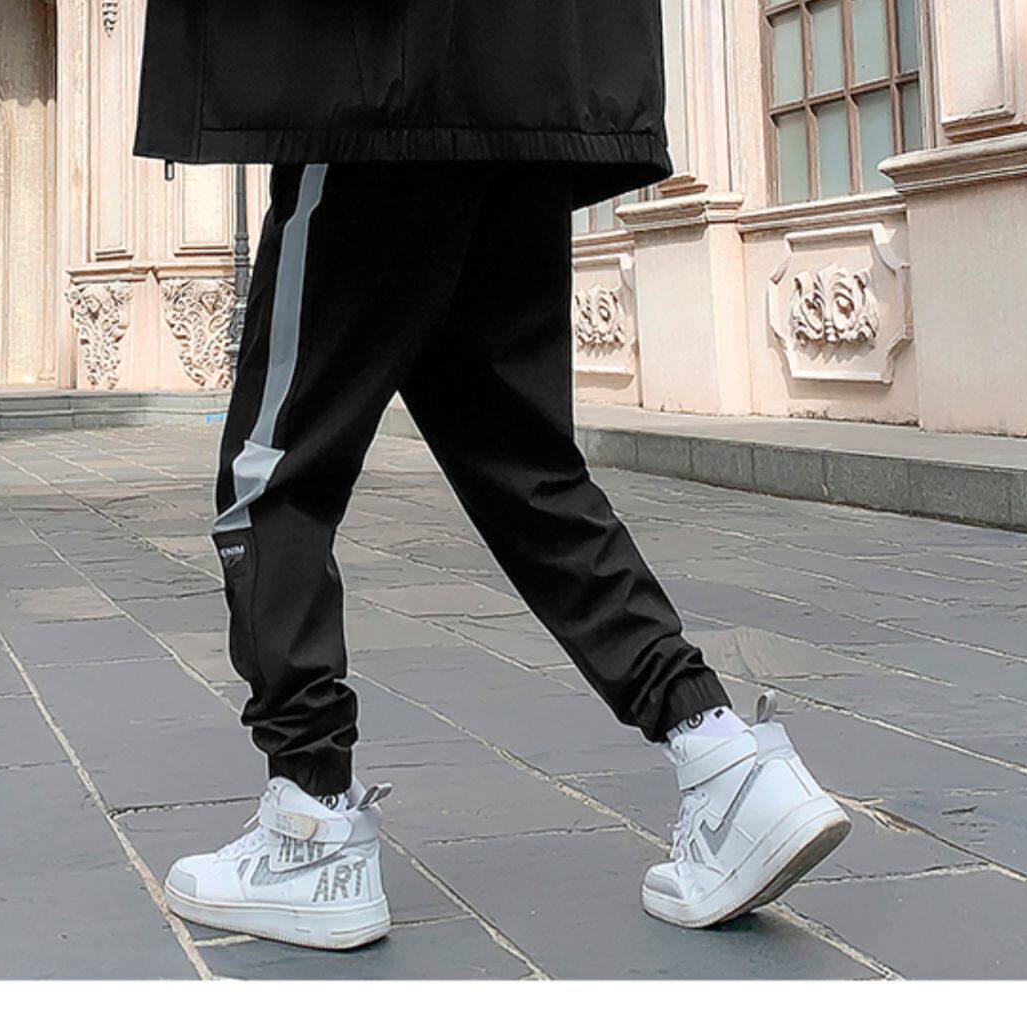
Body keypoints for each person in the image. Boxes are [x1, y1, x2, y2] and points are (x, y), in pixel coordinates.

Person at [131, 0, 848, 951]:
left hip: (379, 80)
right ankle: (720, 753)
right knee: (525, 465)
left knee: (273, 472)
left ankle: (310, 817)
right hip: (528, 81)